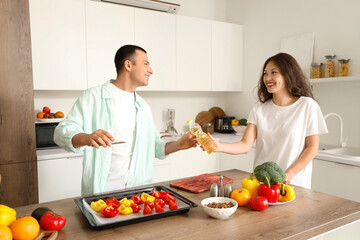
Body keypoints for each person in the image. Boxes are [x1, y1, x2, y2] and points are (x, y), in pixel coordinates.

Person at [54, 45, 197, 195]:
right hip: (101, 193)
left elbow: (155, 147)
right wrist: (87, 138)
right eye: (146, 63)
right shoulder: (93, 97)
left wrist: (179, 145)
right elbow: (61, 132)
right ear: (128, 65)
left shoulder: (143, 107)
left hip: (137, 193)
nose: (151, 70)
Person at [211, 53, 328, 189]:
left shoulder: (307, 105)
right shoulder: (259, 109)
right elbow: (245, 145)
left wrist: (288, 176)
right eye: (265, 73)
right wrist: (218, 146)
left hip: (294, 185)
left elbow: (312, 148)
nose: (267, 78)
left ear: (288, 75)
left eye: (274, 72)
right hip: (261, 184)